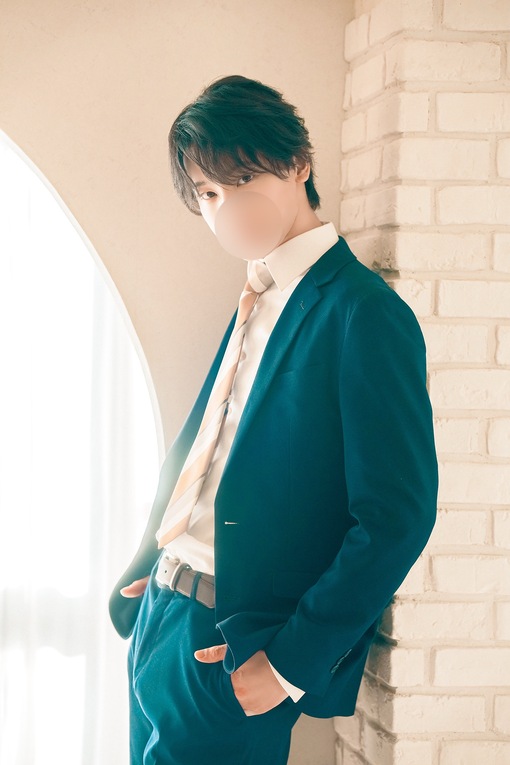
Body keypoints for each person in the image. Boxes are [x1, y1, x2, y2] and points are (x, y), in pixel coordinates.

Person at [109, 74, 438, 765]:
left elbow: (396, 516)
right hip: (162, 616)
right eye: (207, 193)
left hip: (229, 645)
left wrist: (290, 663)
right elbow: (210, 450)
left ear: (298, 163)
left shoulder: (362, 313)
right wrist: (154, 565)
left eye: (241, 178)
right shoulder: (259, 292)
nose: (225, 206)